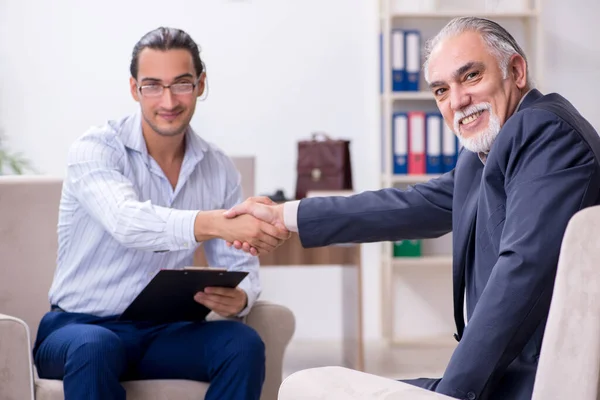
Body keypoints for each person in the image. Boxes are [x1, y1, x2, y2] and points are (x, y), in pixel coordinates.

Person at [224, 17, 600, 400]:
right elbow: (413, 205)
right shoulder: (485, 152)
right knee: (312, 385)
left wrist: (452, 392)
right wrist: (286, 216)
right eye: (441, 90)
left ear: (516, 71)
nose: (457, 102)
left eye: (470, 76)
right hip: (500, 379)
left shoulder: (543, 131)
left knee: (307, 388)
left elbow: (522, 270)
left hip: (527, 383)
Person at [32, 27, 288, 400]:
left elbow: (240, 264)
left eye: (181, 83)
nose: (168, 100)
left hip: (163, 331)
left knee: (241, 343)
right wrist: (211, 222)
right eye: (153, 85)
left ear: (201, 85)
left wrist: (242, 297)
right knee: (94, 346)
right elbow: (126, 221)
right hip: (77, 328)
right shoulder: (96, 149)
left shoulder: (217, 167)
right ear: (135, 89)